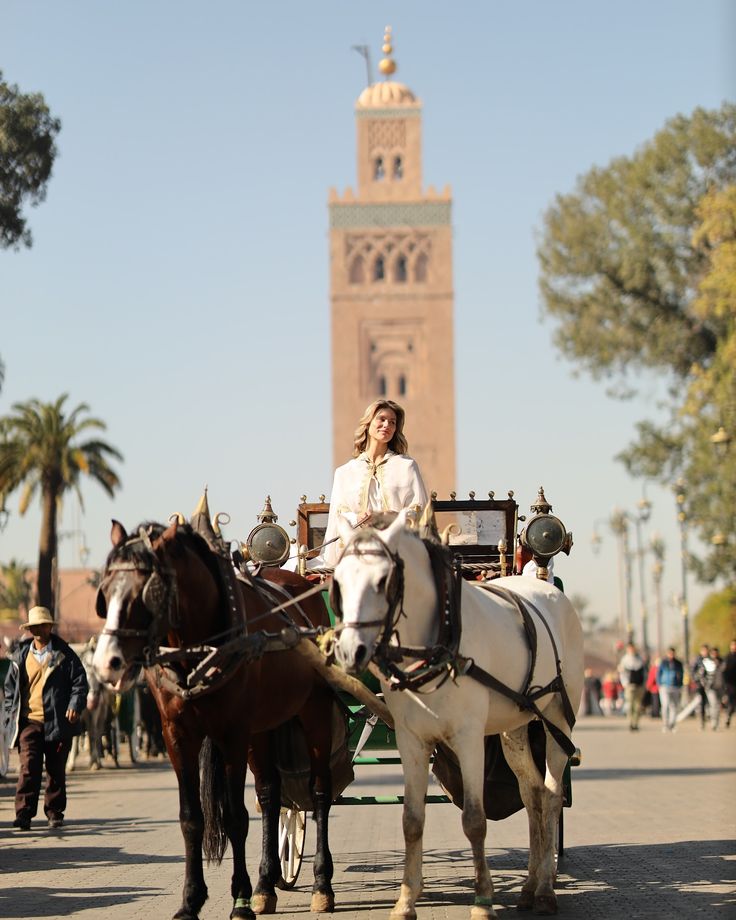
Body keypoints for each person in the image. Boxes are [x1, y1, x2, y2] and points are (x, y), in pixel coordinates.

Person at [3, 606, 88, 830]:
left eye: (44, 625)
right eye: (35, 626)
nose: (40, 630)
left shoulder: (66, 655)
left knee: (56, 769)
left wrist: (74, 705)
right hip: (29, 722)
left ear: (50, 627)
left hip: (58, 722)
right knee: (28, 768)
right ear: (30, 630)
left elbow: (80, 683)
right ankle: (23, 814)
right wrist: (11, 714)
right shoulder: (19, 657)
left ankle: (54, 812)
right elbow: (11, 689)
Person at [321, 399, 429, 566]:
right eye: (382, 419)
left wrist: (394, 516)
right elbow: (338, 515)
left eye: (392, 422)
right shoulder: (345, 472)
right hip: (356, 550)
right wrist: (357, 518)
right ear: (368, 423)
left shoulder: (407, 466)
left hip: (397, 550)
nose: (387, 425)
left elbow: (419, 510)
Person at [618, 642, 646, 730]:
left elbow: (644, 673)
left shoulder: (640, 659)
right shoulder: (625, 660)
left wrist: (644, 684)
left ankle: (635, 723)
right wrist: (624, 683)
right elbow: (622, 673)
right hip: (629, 685)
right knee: (630, 705)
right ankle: (630, 722)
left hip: (639, 685)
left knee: (637, 706)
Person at [657, 647, 684, 732]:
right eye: (670, 653)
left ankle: (672, 724)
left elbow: (682, 674)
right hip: (665, 686)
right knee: (665, 705)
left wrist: (680, 684)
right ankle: (665, 723)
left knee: (674, 706)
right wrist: (659, 684)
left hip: (675, 686)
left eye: (672, 653)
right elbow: (658, 674)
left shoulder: (678, 663)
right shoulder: (663, 663)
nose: (671, 655)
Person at [722, 638, 736, 729]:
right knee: (731, 703)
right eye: (733, 645)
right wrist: (725, 684)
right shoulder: (727, 657)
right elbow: (723, 671)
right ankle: (728, 717)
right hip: (730, 684)